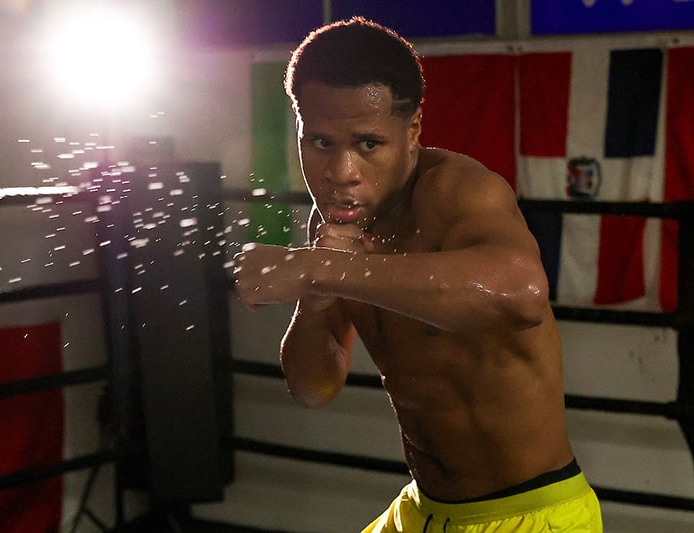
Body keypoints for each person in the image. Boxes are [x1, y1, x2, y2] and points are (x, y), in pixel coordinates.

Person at [234, 17, 603, 532]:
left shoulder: (457, 193)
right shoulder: (337, 230)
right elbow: (313, 389)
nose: (342, 172)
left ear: (412, 131)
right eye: (319, 143)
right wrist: (316, 297)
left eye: (368, 144)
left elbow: (521, 292)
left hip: (529, 514)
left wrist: (319, 267)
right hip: (424, 511)